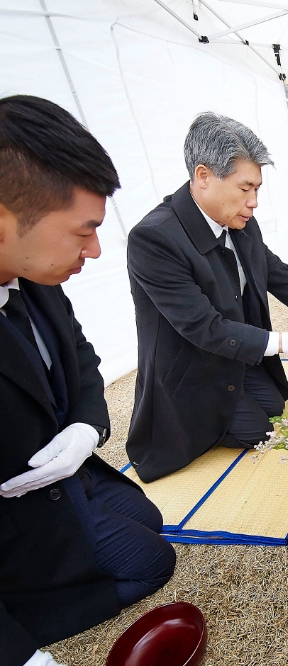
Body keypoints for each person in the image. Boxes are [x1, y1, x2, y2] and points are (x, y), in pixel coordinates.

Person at [0, 95, 175, 666]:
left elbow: (81, 359)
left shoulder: (33, 274)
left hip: (71, 474)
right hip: (19, 519)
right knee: (153, 563)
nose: (96, 251)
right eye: (84, 231)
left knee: (150, 521)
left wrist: (84, 427)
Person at [125, 113, 288, 483]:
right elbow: (202, 327)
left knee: (274, 404)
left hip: (233, 354)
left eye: (257, 188)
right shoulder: (154, 239)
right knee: (259, 430)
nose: (254, 202)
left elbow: (271, 268)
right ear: (204, 176)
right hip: (192, 369)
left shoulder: (237, 217)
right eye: (245, 188)